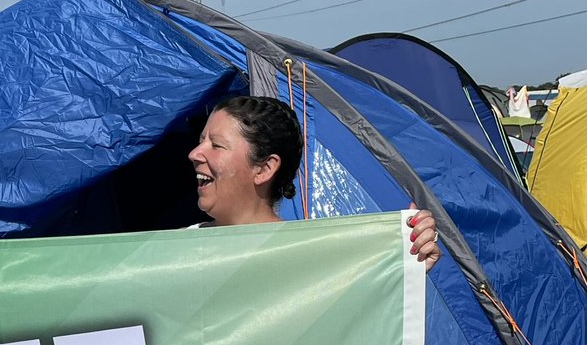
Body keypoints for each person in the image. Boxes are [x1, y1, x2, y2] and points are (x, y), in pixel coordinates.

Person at [189, 94, 442, 269]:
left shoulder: (315, 258)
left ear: (264, 168)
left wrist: (408, 261)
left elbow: (365, 318)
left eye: (217, 145)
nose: (195, 153)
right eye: (201, 141)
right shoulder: (175, 252)